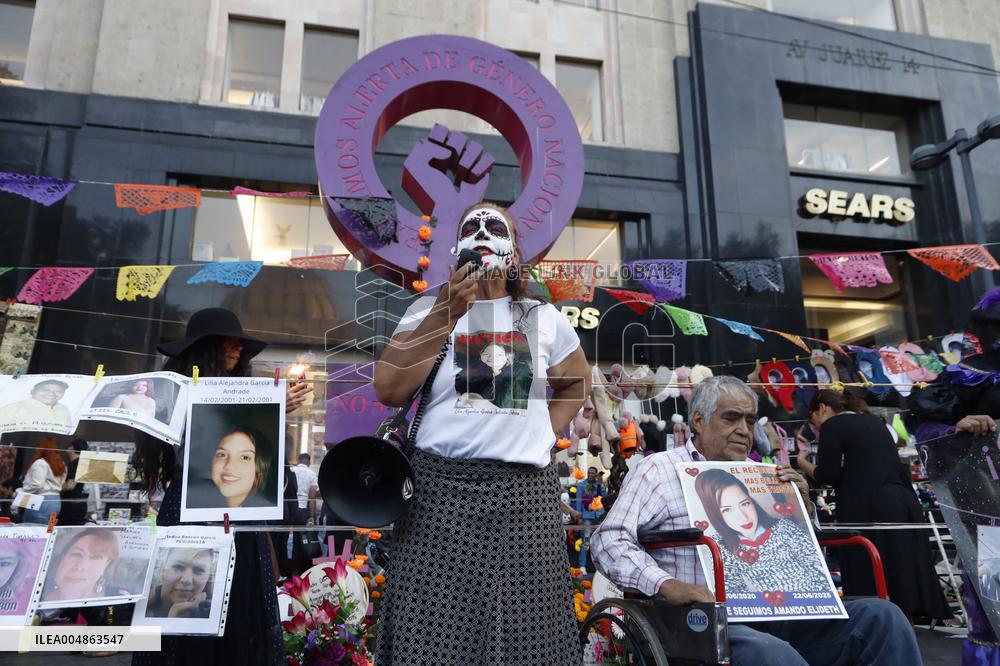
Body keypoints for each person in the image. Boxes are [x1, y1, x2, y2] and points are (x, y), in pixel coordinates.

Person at [373, 202, 590, 665]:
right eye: (472, 225)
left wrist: (543, 434)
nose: (484, 232)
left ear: (515, 253)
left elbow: (575, 384)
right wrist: (446, 312)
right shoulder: (425, 309)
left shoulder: (541, 317)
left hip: (524, 501)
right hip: (438, 498)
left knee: (529, 638)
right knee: (431, 636)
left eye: (497, 227)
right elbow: (389, 389)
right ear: (456, 249)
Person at [591, 376, 921, 665]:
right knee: (771, 654)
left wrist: (802, 506)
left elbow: (800, 554)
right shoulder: (660, 469)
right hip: (701, 620)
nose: (744, 430)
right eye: (731, 418)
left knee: (883, 619)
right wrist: (667, 585)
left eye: (750, 421)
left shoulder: (764, 474)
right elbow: (608, 541)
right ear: (699, 420)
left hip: (778, 611)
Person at [131, 307, 311, 666]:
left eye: (239, 344)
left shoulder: (246, 393)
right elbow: (191, 445)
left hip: (238, 514)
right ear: (205, 348)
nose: (237, 349)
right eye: (228, 342)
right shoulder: (177, 395)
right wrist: (269, 407)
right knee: (181, 600)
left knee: (240, 604)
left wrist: (271, 410)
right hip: (190, 509)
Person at [797, 390, 950, 622]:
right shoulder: (873, 421)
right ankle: (911, 613)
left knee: (869, 564)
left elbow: (829, 475)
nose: (816, 426)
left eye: (813, 420)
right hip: (902, 498)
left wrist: (801, 461)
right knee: (901, 562)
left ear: (822, 408)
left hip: (868, 504)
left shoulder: (833, 425)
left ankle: (878, 620)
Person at [694, 468, 830, 594]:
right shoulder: (719, 545)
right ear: (715, 515)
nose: (743, 516)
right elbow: (734, 594)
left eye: (745, 503)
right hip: (763, 617)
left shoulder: (783, 527)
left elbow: (818, 568)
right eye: (727, 510)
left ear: (751, 501)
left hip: (812, 607)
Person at [187, 426, 275, 509]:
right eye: (222, 454)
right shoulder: (192, 498)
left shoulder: (266, 518)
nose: (229, 465)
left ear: (261, 468)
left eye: (244, 457)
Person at [41, 528, 119, 602]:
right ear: (62, 559)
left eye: (95, 557)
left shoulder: (119, 598)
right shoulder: (38, 594)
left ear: (106, 565)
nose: (80, 567)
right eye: (76, 554)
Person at [145, 548, 213, 619]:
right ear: (162, 570)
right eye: (178, 567)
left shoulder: (214, 613)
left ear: (208, 577)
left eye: (199, 570)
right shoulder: (139, 605)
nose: (187, 580)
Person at [18, 436, 67, 524]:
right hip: (56, 503)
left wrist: (21, 491)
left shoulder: (40, 463)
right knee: (49, 531)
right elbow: (62, 483)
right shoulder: (62, 464)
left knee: (32, 531)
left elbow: (37, 484)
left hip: (40, 501)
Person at [0, 379, 72, 430]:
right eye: (46, 390)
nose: (51, 394)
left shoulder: (64, 409)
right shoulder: (11, 409)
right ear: (32, 391)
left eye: (58, 391)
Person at [574, 466, 606, 569]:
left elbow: (604, 498)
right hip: (587, 517)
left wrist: (601, 484)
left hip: (599, 516)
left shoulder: (599, 484)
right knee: (586, 541)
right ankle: (582, 566)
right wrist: (578, 516)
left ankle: (599, 567)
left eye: (593, 473)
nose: (591, 474)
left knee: (599, 542)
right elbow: (578, 500)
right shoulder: (582, 484)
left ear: (596, 474)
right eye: (589, 472)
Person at [60, 439, 90, 525]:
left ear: (72, 448)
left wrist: (57, 489)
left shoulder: (74, 465)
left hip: (70, 505)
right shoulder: (85, 464)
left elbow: (70, 486)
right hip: (81, 503)